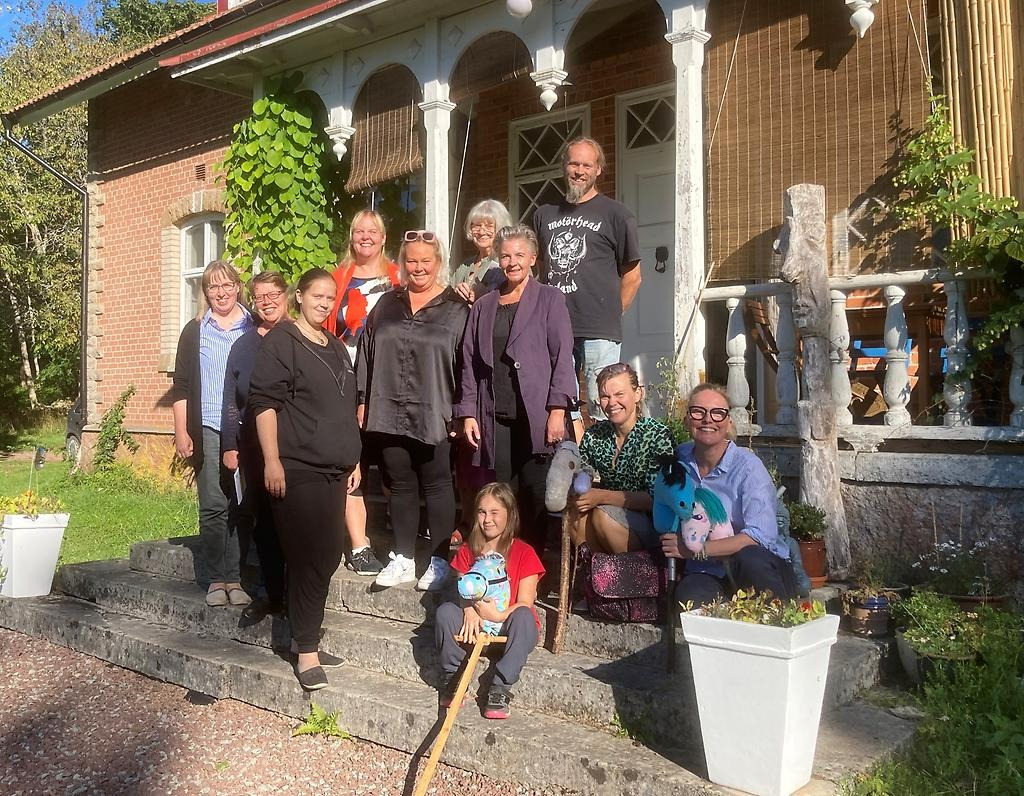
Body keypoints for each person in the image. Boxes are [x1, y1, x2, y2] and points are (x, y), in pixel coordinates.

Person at [248, 268, 362, 691]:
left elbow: (343, 407)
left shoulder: (335, 346)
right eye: (317, 296)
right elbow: (264, 405)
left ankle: (302, 637)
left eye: (330, 298)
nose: (324, 303)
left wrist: (353, 459)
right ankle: (307, 650)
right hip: (298, 468)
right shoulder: (281, 342)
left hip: (335, 468)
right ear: (299, 296)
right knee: (309, 556)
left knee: (329, 554)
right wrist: (271, 461)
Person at [358, 230, 470, 590]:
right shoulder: (386, 304)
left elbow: (467, 364)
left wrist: (462, 411)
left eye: (425, 261)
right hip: (387, 408)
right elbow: (366, 354)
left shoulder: (457, 308)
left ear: (438, 263)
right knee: (400, 483)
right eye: (411, 260)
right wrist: (362, 399)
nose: (418, 267)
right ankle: (404, 558)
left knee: (437, 485)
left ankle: (439, 561)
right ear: (402, 264)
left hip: (436, 410)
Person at [455, 224, 576, 556]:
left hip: (536, 415)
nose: (512, 262)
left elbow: (562, 357)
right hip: (496, 416)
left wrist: (557, 410)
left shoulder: (550, 299)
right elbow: (469, 363)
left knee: (535, 495)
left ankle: (531, 567)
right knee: (502, 496)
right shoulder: (484, 306)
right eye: (506, 256)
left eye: (520, 255)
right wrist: (468, 413)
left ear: (533, 258)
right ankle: (502, 565)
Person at [533, 137, 642, 422]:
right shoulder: (544, 214)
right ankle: (571, 452)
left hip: (599, 331)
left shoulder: (617, 215)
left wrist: (610, 315)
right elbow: (541, 268)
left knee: (603, 406)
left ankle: (604, 454)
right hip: (555, 326)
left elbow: (633, 277)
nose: (579, 171)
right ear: (563, 166)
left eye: (587, 165)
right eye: (574, 164)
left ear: (598, 170)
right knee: (561, 406)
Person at [661, 383, 798, 606]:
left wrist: (695, 549)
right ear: (687, 420)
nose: (708, 420)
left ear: (728, 422)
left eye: (717, 413)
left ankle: (777, 619)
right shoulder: (679, 459)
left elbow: (759, 537)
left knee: (750, 558)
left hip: (759, 568)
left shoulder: (748, 467)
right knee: (689, 596)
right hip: (709, 571)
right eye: (698, 412)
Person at [171, 260, 254, 608]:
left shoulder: (254, 326)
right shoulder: (194, 331)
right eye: (213, 287)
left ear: (237, 287)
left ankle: (236, 578)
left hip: (245, 429)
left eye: (227, 285)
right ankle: (216, 579)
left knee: (241, 505)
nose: (221, 293)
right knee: (213, 506)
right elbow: (181, 385)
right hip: (206, 425)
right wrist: (181, 430)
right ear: (205, 292)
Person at [324, 209, 401, 576]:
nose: (366, 237)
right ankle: (359, 545)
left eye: (373, 231)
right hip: (345, 381)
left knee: (393, 462)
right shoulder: (338, 278)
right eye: (359, 231)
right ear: (352, 237)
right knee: (350, 459)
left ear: (383, 238)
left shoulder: (399, 277)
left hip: (391, 382)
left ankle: (401, 542)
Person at [434, 482, 545, 720]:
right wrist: (468, 610)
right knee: (445, 612)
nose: (487, 519)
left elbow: (525, 602)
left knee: (524, 616)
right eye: (482, 512)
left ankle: (500, 687)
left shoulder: (525, 552)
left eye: (495, 512)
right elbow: (464, 591)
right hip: (475, 631)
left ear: (509, 515)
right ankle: (453, 677)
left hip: (509, 631)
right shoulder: (467, 551)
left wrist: (498, 616)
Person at [220, 271, 290, 621]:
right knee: (262, 521)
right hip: (252, 446)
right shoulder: (243, 345)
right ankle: (267, 593)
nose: (268, 302)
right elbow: (231, 399)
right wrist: (229, 443)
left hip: (294, 445)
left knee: (291, 520)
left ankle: (293, 593)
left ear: (287, 295)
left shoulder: (299, 337)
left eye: (274, 294)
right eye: (260, 296)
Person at [572, 363, 675, 554]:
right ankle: (595, 569)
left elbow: (659, 499)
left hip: (653, 525)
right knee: (576, 512)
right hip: (610, 516)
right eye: (605, 396)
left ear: (637, 394)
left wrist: (601, 496)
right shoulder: (595, 435)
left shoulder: (657, 435)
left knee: (602, 516)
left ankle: (634, 570)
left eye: (619, 394)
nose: (612, 403)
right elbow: (582, 470)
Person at [451, 199, 513, 304]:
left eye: (489, 226)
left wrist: (481, 297)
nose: (481, 231)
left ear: (500, 228)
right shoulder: (465, 265)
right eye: (477, 225)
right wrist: (455, 292)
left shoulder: (508, 262)